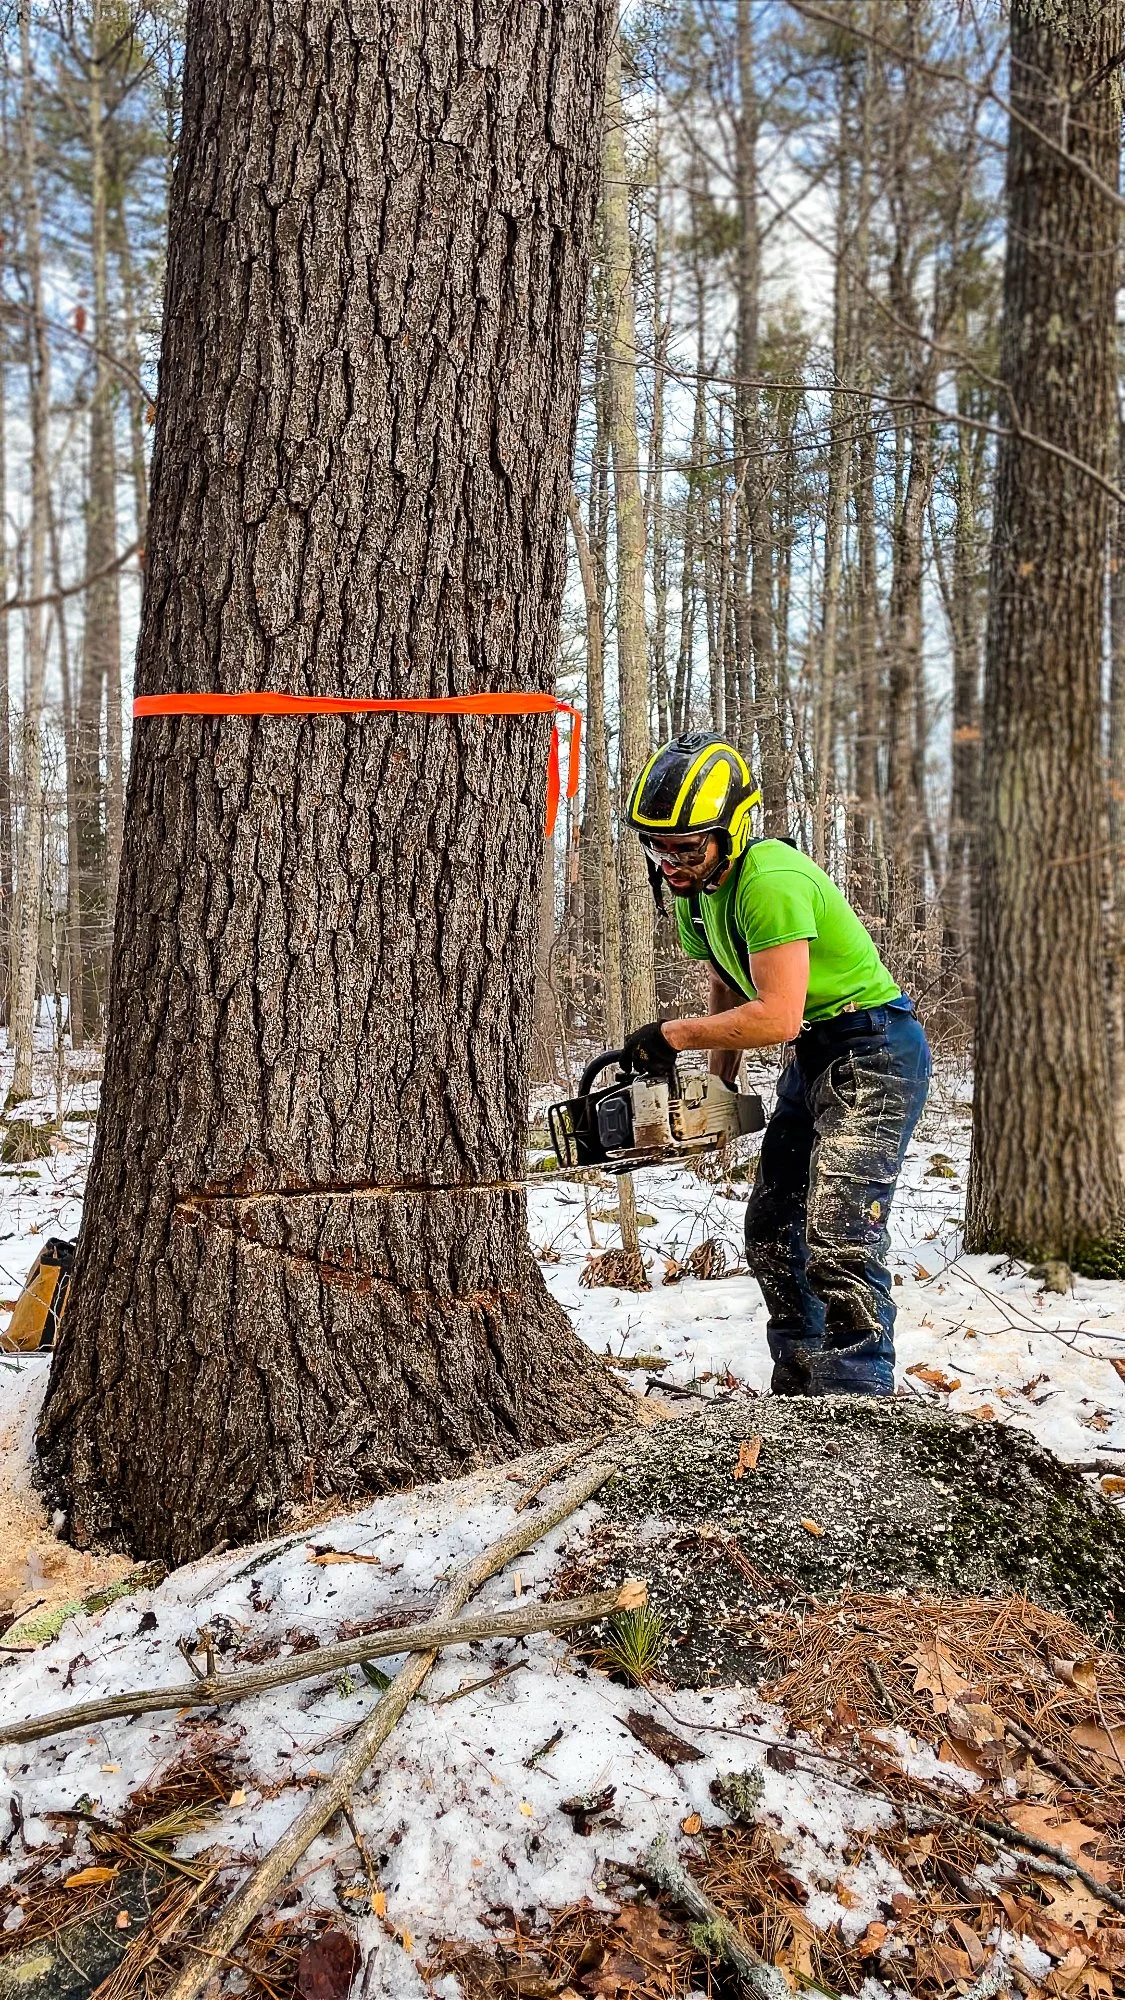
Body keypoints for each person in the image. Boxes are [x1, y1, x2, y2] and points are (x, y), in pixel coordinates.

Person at [621, 731, 931, 1397]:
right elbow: (729, 986)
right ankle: (799, 1381)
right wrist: (716, 1086)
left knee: (841, 1227)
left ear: (728, 832)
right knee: (770, 1224)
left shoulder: (771, 882)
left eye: (684, 845)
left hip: (872, 1046)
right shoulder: (697, 895)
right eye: (656, 844)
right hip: (816, 1055)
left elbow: (778, 1015)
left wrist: (670, 1035)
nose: (669, 860)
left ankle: (854, 1397)